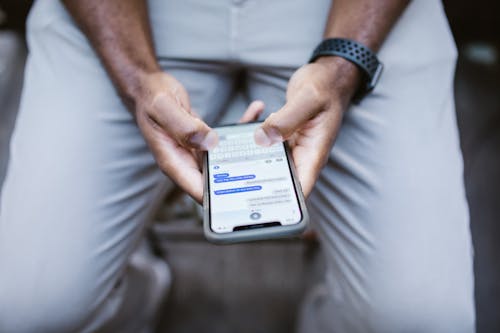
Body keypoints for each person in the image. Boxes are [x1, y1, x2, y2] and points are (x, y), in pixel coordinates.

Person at [0, 0, 475, 332]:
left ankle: (339, 288)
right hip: (131, 15)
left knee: (425, 320)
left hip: (346, 15)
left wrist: (342, 68)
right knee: (29, 312)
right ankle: (133, 272)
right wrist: (136, 79)